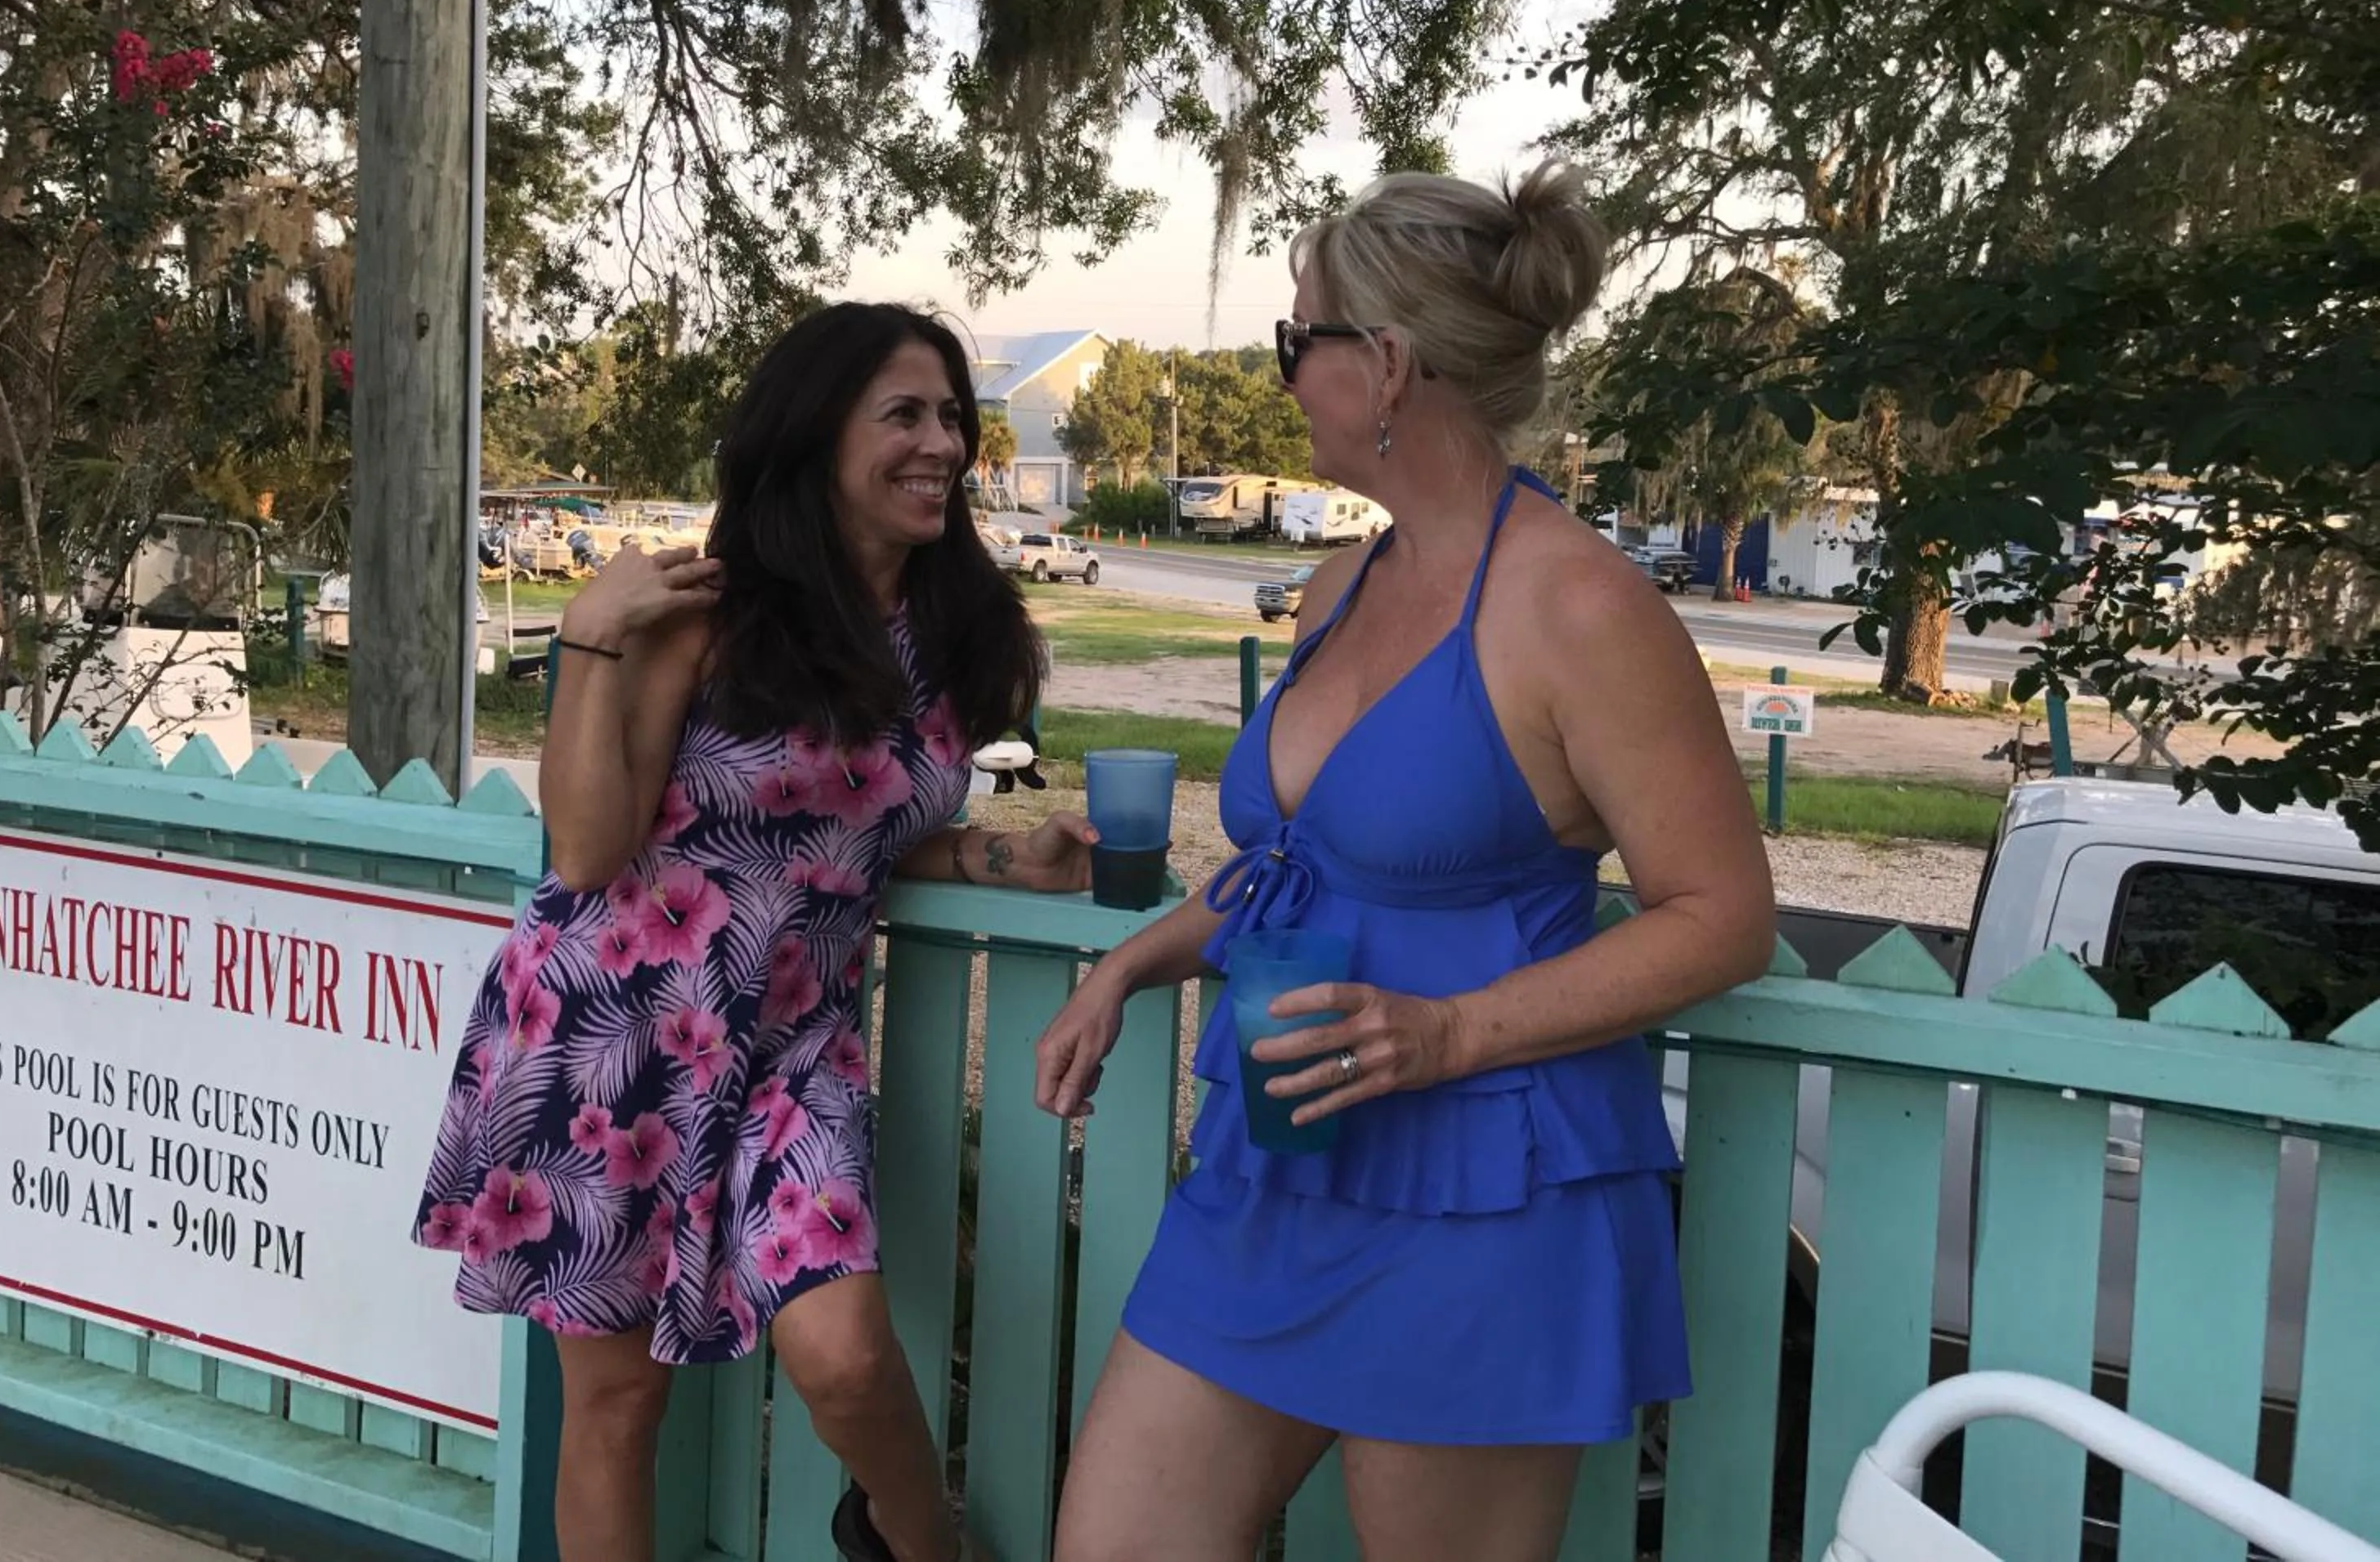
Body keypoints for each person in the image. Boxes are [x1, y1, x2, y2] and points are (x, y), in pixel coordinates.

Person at [1033, 163, 1777, 1561]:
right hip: (1282, 1158)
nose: (1283, 374)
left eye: (1293, 340)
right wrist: (1134, 961)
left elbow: (1724, 915)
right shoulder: (1341, 583)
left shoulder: (1577, 605)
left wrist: (1448, 1033)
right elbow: (1302, 868)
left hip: (1487, 1185)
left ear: (1383, 365)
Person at [413, 303, 1098, 1562]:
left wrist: (1013, 855)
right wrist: (587, 635)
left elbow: (870, 837)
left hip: (791, 1054)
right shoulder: (708, 613)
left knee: (844, 1358)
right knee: (616, 1406)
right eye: (904, 414)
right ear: (816, 439)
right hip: (611, 1038)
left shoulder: (953, 645)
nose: (940, 440)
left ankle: (913, 1540)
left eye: (951, 414)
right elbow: (585, 849)